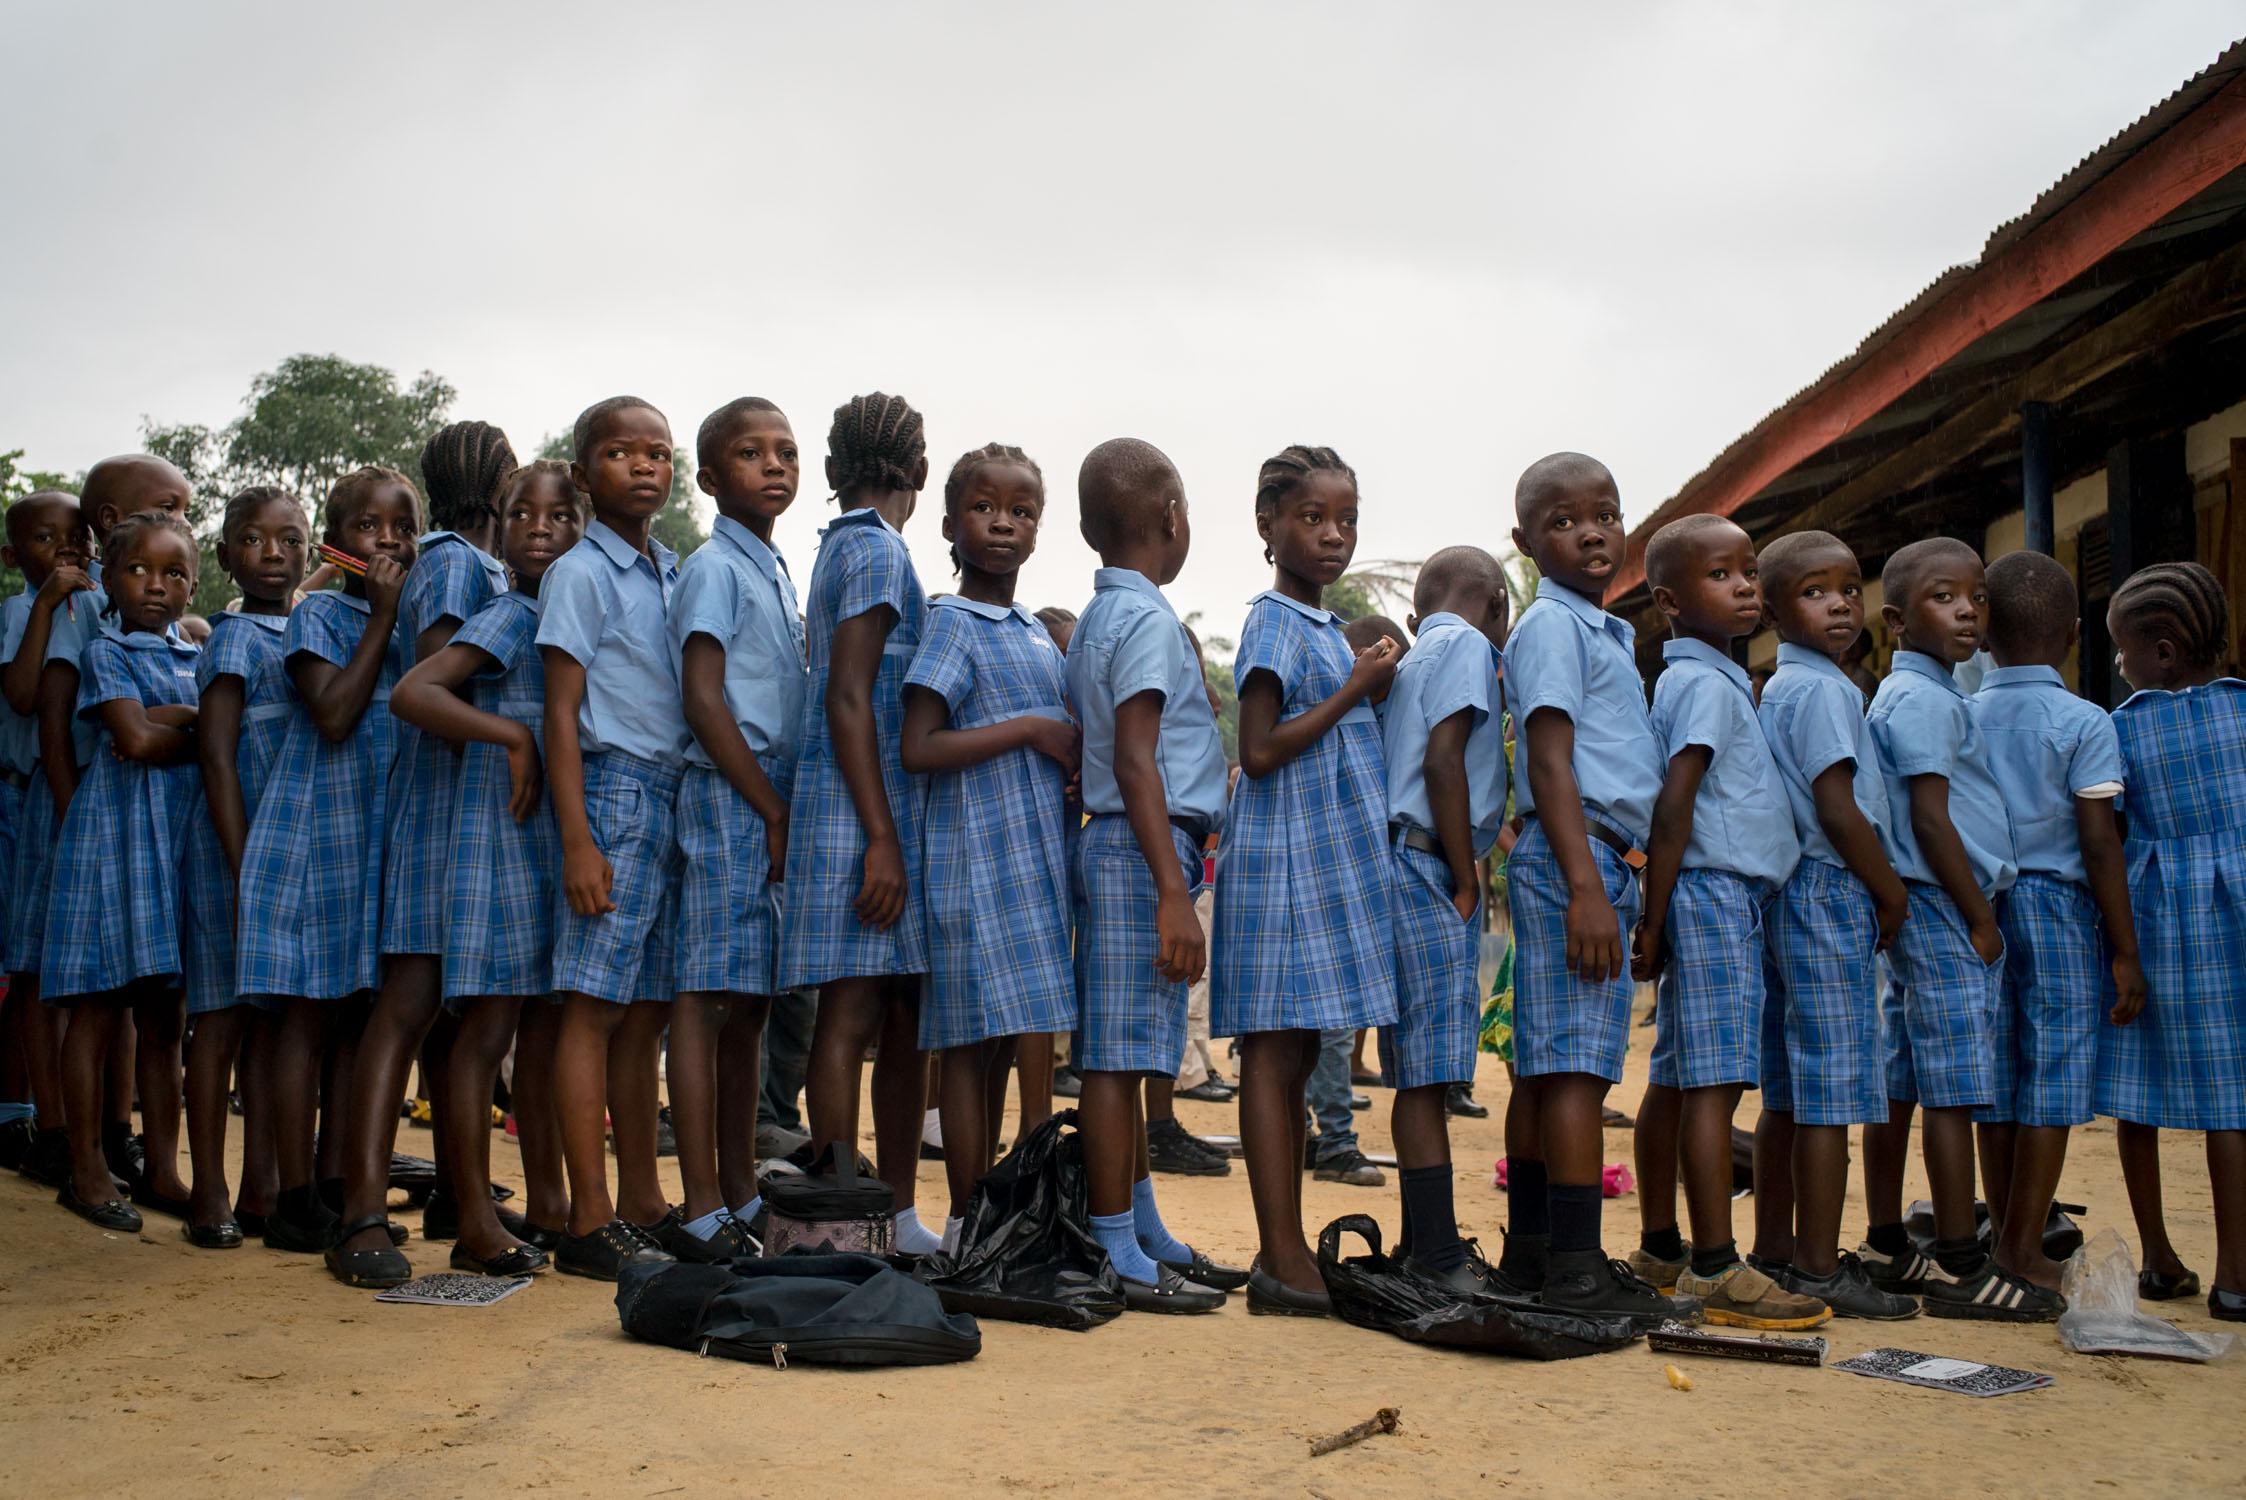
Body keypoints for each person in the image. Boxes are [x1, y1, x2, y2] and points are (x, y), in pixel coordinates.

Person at [380, 459, 588, 1278]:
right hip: (498, 840)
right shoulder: (507, 615)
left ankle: (548, 1205)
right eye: (522, 514)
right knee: (487, 1035)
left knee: (536, 1034)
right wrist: (512, 737)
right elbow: (414, 694)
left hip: (543, 844)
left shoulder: (562, 612)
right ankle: (471, 1217)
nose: (541, 527)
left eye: (561, 516)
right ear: (498, 532)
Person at [1213, 445, 1399, 1313]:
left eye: (1346, 519)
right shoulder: (1275, 621)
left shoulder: (1321, 626)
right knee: (1273, 1058)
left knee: (1289, 1062)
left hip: (1312, 862)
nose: (1333, 535)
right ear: (1268, 527)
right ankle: (1279, 1254)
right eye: (1313, 518)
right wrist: (1356, 688)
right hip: (1279, 861)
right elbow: (1258, 750)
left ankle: (1285, 1254)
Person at [1629, 516, 1826, 1330]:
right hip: (1714, 893)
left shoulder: (1699, 678)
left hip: (1705, 893)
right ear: (1672, 601)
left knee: (1678, 1077)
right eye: (1724, 575)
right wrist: (1656, 911)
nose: (1746, 586)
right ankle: (1714, 1266)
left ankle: (1661, 1247)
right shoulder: (1708, 686)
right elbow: (1675, 806)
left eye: (1750, 571)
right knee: (1714, 1080)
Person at [332, 423, 518, 1276]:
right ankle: (362, 1214)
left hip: (477, 823)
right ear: (504, 482)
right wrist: (511, 737)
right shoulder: (451, 561)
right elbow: (431, 685)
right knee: (406, 1007)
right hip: (445, 814)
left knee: (460, 1020)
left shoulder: (489, 567)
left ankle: (469, 1213)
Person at [1498, 452, 1674, 1321]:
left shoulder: (1604, 630)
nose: (1591, 530)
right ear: (1525, 543)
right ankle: (1574, 1267)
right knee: (1574, 1073)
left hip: (1598, 857)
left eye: (1603, 512)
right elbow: (1549, 758)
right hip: (1579, 858)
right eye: (1563, 521)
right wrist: (1585, 887)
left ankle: (1532, 1253)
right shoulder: (1554, 628)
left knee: (1547, 1069)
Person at [1066, 437, 1235, 1313]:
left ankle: (1139, 1225)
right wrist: (1174, 890)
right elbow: (1135, 762)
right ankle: (1113, 1243)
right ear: (1170, 515)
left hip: (1137, 844)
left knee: (1129, 1056)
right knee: (1112, 1061)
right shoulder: (1143, 621)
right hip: (1144, 850)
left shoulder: (1108, 614)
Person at [901, 443, 1080, 1251]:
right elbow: (919, 744)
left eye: (1022, 510)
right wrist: (1033, 731)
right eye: (984, 507)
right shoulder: (951, 623)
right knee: (969, 1050)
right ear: (949, 523)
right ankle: (969, 1219)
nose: (1003, 522)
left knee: (1008, 1040)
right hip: (970, 864)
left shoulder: (1037, 637)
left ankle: (997, 1206)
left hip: (1032, 864)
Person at [236, 467, 416, 1257]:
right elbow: (336, 716)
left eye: (403, 528)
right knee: (305, 1018)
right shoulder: (318, 619)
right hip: (315, 838)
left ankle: (344, 1179)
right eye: (370, 528)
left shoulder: (413, 620)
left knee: (358, 1018)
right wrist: (378, 618)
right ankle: (290, 1196)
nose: (389, 542)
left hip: (376, 839)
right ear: (336, 543)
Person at [1864, 537, 2042, 1319]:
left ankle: (1884, 1238)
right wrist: (1980, 917)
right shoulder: (1931, 702)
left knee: (1903, 1082)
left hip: (1925, 905)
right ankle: (1963, 1261)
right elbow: (1933, 822)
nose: (1969, 610)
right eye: (1944, 597)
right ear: (1898, 618)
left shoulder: (1916, 694)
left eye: (1975, 596)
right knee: (1954, 1091)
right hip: (1945, 906)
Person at [537, 396, 692, 1281]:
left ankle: (643, 1198)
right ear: (585, 469)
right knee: (591, 1009)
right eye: (622, 453)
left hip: (672, 794)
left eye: (659, 454)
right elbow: (561, 713)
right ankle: (588, 1218)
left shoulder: (671, 571)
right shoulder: (580, 573)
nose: (645, 467)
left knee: (645, 1016)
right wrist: (577, 840)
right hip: (615, 793)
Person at [781, 394, 940, 1254]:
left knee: (892, 1012)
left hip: (864, 811)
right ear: (918, 470)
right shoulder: (878, 554)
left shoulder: (841, 547)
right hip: (862, 818)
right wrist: (881, 835)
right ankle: (850, 1216)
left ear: (835, 471)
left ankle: (886, 1212)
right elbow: (850, 696)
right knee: (851, 1016)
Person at [1746, 529, 1916, 1319]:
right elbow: (1838, 807)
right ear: (1774, 609)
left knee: (1788, 1088)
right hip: (1830, 890)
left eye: (1849, 586)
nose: (1842, 603)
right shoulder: (1825, 693)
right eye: (1816, 592)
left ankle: (1776, 1250)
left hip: (1792, 892)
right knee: (1831, 1090)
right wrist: (1889, 892)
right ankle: (1819, 1265)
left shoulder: (1784, 684)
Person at [17, 458, 193, 1198]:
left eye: (173, 571)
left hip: (173, 844)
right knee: (92, 1000)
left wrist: (168, 724)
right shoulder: (93, 633)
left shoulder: (195, 644)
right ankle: (82, 1164)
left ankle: (159, 1167)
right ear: (109, 554)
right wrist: (193, 720)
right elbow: (107, 734)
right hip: (107, 836)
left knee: (160, 1011)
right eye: (138, 569)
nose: (156, 583)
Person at [1970, 551, 2144, 1292]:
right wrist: (2126, 951)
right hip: (2058, 908)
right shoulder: (2084, 721)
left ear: (1980, 636)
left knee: (1998, 1075)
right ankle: (2021, 1245)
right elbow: (2099, 841)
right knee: (2052, 1077)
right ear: (2076, 634)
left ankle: (2000, 1232)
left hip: (1978, 907)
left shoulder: (1963, 714)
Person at [669, 400, 808, 1258]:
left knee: (751, 1002)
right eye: (751, 454)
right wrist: (768, 804)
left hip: (767, 798)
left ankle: (738, 1188)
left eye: (786, 452)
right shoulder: (714, 566)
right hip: (732, 794)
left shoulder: (775, 568)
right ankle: (696, 1203)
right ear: (713, 479)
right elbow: (703, 698)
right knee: (704, 997)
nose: (775, 465)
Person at [2095, 561, 2245, 1322]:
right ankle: (2237, 1275)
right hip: (2237, 919)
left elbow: (2107, 837)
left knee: (2136, 1093)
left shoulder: (2123, 728)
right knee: (2235, 1106)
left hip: (2154, 923)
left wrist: (2118, 948)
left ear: (2159, 654)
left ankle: (2157, 1258)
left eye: (2122, 652)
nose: (2119, 667)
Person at [179, 487, 311, 1246]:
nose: (273, 554)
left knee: (271, 1025)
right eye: (254, 541)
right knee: (221, 1022)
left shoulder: (306, 627)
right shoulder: (231, 639)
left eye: (290, 540)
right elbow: (219, 760)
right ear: (226, 555)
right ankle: (209, 1191)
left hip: (283, 855)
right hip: (236, 851)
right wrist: (240, 865)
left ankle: (263, 1184)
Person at [1377, 545, 1510, 1292]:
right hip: (1430, 865)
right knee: (1429, 1075)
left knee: (1415, 1077)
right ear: (1496, 600)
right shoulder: (1464, 643)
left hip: (1401, 862)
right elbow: (1443, 763)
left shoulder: (1414, 657)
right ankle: (1433, 1254)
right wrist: (1466, 877)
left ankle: (1423, 1241)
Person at [1, 490, 93, 1185]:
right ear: (13, 556)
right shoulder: (19, 611)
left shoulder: (98, 608)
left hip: (75, 796)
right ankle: (21, 1112)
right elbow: (25, 696)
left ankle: (42, 1111)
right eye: (44, 538)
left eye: (76, 535)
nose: (64, 548)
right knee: (26, 966)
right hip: (23, 796)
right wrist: (41, 605)